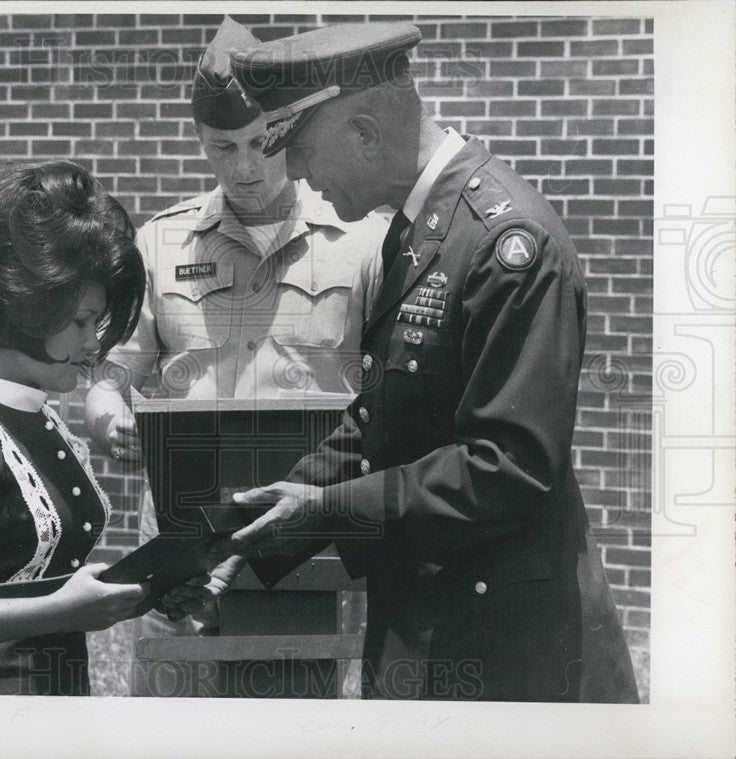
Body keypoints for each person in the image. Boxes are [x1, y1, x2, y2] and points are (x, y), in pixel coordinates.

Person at [227, 21, 640, 702]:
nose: (294, 173)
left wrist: (329, 508)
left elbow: (507, 468)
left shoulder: (508, 242)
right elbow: (384, 414)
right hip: (429, 630)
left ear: (364, 134)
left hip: (507, 655)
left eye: (297, 148)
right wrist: (276, 517)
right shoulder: (420, 231)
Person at [83, 18, 386, 697]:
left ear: (288, 134)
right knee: (172, 721)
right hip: (183, 549)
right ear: (201, 141)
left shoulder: (362, 242)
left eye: (260, 144)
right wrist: (110, 420)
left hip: (303, 541)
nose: (245, 167)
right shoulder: (161, 243)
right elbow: (108, 376)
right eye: (224, 146)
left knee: (294, 721)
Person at [0, 160, 200, 695]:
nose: (95, 345)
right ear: (18, 308)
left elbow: (29, 576)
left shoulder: (30, 410)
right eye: (80, 322)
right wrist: (57, 610)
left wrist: (140, 592)